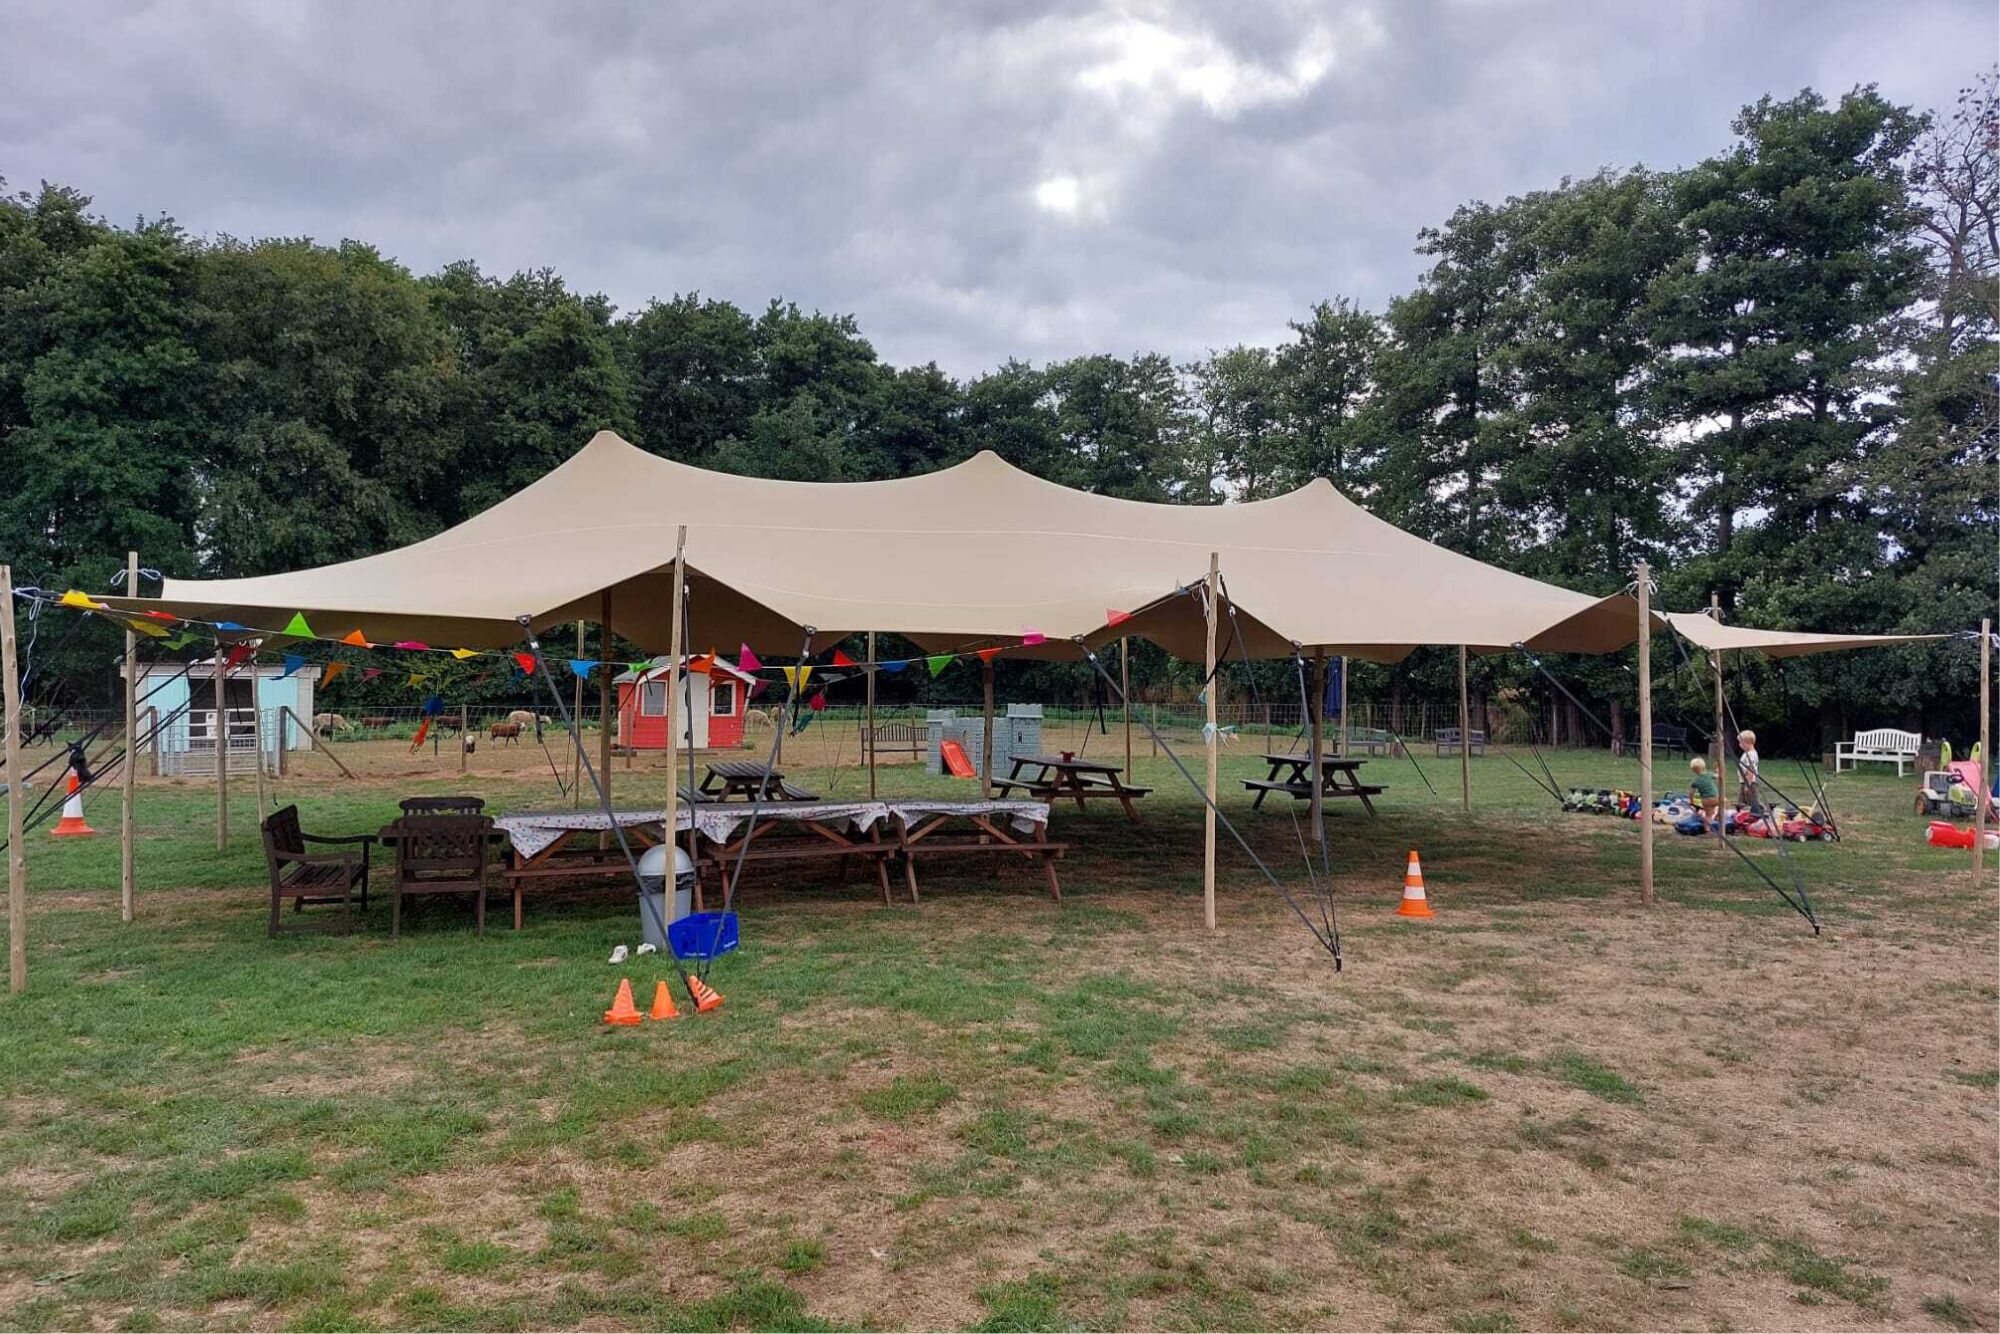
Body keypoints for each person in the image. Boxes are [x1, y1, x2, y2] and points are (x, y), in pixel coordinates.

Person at [1688, 756, 1721, 829]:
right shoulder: (1708, 775)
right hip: (1714, 798)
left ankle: (1707, 828)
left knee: (1708, 815)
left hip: (1705, 801)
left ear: (1693, 770)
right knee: (1725, 802)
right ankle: (1718, 815)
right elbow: (1719, 776)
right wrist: (1717, 770)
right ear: (1704, 767)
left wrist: (1691, 801)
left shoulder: (1695, 781)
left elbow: (1691, 793)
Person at [1736, 729, 1761, 813]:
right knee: (1740, 803)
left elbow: (1751, 770)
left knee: (1752, 803)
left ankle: (1756, 814)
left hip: (1750, 783)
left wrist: (1748, 785)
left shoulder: (1751, 754)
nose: (1739, 745)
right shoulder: (1747, 753)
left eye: (1740, 742)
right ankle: (1740, 814)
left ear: (1747, 743)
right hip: (1743, 782)